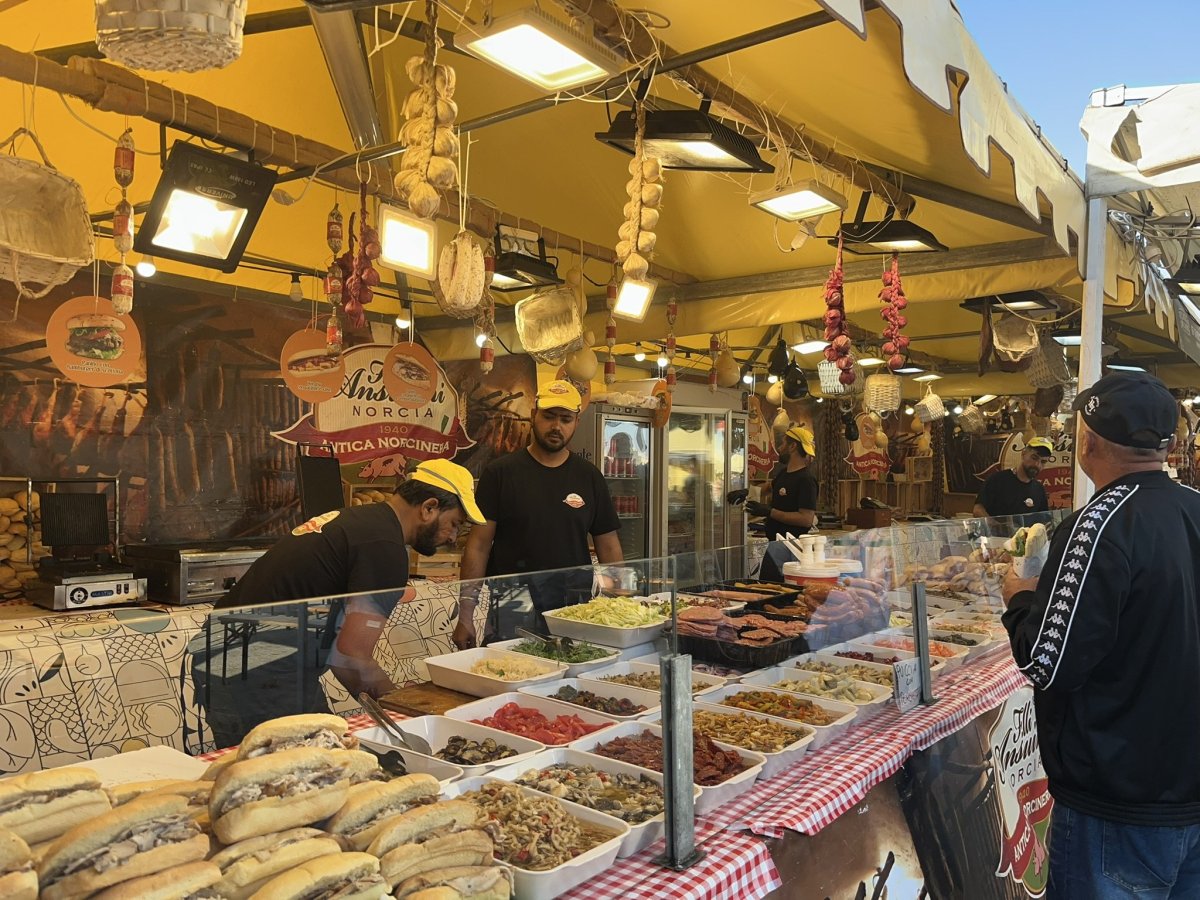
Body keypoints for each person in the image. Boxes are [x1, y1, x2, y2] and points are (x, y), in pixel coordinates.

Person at [1001, 372, 1200, 898]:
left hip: (1118, 808)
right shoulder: (1196, 510)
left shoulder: (1097, 525)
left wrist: (1020, 598)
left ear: (1086, 441)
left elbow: (1046, 662)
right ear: (1166, 444)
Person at [216, 458, 483, 698]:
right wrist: (402, 707)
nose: (451, 537)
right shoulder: (384, 547)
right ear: (429, 508)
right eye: (455, 524)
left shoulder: (364, 522)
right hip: (255, 668)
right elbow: (350, 656)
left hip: (239, 656)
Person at [454, 380, 622, 648]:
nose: (557, 426)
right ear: (534, 415)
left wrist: (619, 606)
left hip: (573, 598)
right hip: (513, 597)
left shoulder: (589, 477)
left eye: (566, 419)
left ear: (576, 423)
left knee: (571, 670)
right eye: (549, 416)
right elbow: (478, 544)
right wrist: (465, 614)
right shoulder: (500, 473)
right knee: (511, 669)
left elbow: (609, 546)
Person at [746, 425, 818, 539]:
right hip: (775, 542)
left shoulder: (806, 480)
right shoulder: (784, 473)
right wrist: (747, 493)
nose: (779, 448)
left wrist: (770, 512)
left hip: (791, 546)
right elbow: (769, 487)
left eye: (783, 443)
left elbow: (806, 519)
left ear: (793, 446)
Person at [973, 437, 1053, 517]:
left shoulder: (1039, 490)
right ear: (1023, 454)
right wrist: (996, 527)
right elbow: (978, 510)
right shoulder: (997, 480)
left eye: (1043, 462)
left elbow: (1043, 519)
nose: (1037, 465)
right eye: (1034, 458)